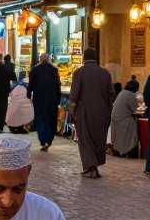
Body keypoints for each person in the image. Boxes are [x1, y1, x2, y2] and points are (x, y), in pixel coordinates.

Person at [69, 48, 115, 178]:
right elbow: (112, 94)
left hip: (84, 111)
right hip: (102, 112)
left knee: (85, 139)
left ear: (84, 58)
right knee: (98, 139)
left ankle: (91, 168)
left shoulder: (79, 73)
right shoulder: (105, 73)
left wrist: (71, 113)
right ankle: (94, 166)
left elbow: (73, 96)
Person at [28, 53, 62, 151]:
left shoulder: (35, 70)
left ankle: (43, 139)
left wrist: (29, 95)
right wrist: (58, 98)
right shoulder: (54, 70)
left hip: (39, 98)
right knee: (50, 118)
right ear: (48, 60)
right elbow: (57, 86)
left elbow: (31, 84)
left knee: (40, 118)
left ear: (40, 60)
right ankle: (49, 139)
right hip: (51, 99)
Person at [109, 79, 142, 158]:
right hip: (123, 120)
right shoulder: (131, 95)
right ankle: (129, 151)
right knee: (134, 122)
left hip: (114, 119)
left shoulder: (122, 92)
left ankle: (118, 151)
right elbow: (134, 110)